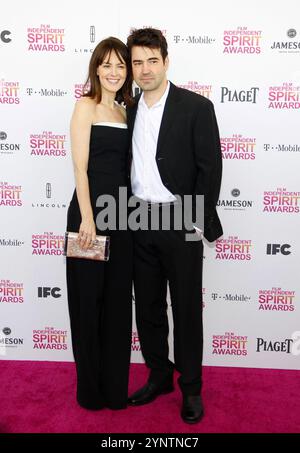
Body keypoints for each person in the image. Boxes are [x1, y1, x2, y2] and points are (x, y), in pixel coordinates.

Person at [126, 28, 223, 423]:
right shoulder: (126, 108)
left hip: (180, 218)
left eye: (152, 60)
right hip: (135, 217)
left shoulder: (195, 107)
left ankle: (192, 388)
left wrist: (197, 221)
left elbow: (210, 168)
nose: (145, 69)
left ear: (166, 61)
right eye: (137, 62)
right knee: (147, 306)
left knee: (185, 308)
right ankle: (159, 375)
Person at [66, 37, 133, 410]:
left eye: (120, 66)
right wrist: (88, 219)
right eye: (106, 65)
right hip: (88, 219)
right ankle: (90, 392)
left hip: (123, 219)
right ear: (96, 69)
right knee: (88, 302)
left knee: (118, 305)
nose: (113, 72)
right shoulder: (85, 107)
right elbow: (79, 166)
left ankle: (114, 389)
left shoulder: (126, 112)